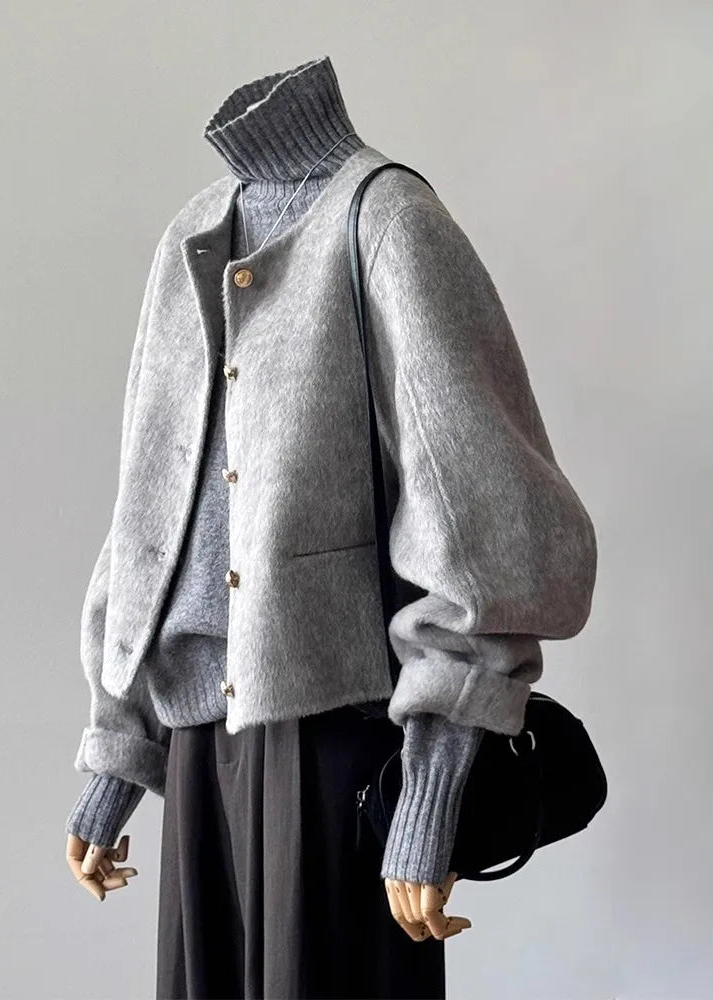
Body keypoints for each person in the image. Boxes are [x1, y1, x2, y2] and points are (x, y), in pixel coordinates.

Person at [64, 54, 597, 1000]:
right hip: (199, 752)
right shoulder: (192, 233)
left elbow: (492, 525)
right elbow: (148, 512)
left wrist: (430, 793)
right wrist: (117, 752)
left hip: (341, 748)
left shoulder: (389, 222)